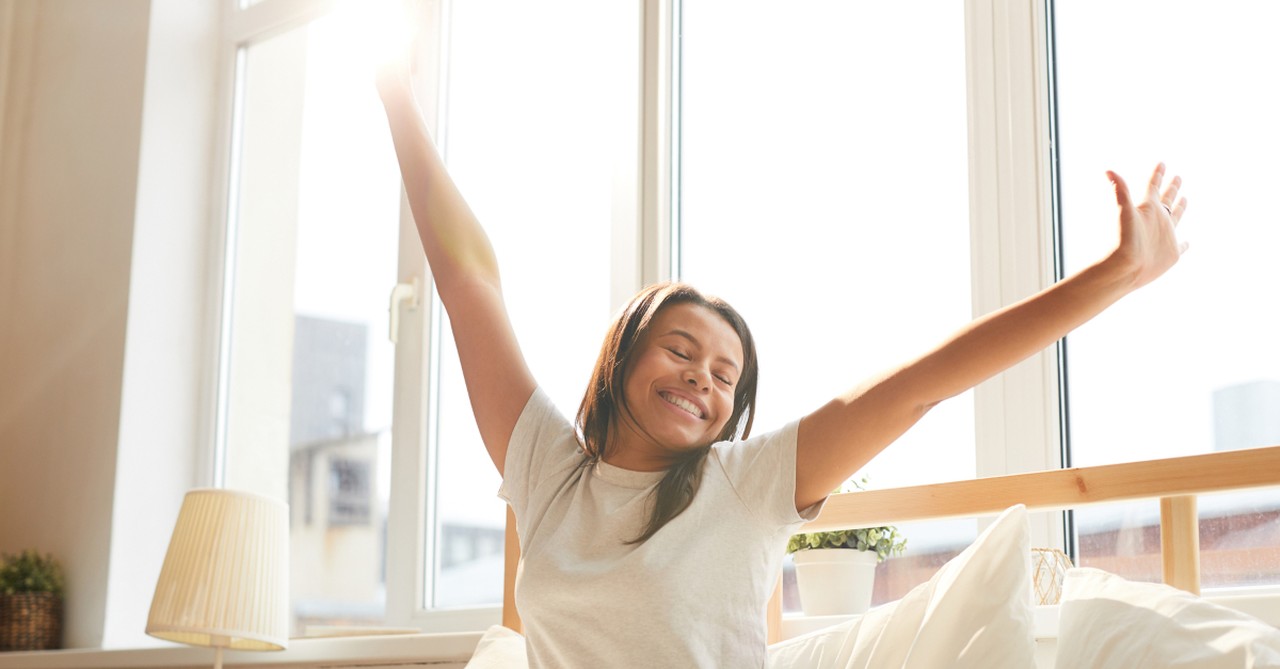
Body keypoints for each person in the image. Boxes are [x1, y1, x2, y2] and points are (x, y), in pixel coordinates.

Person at [375, 56, 1188, 668]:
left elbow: (920, 387)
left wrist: (1109, 278)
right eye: (682, 350)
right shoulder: (547, 471)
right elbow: (466, 278)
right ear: (622, 358)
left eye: (727, 376)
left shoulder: (747, 481)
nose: (704, 377)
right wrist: (398, 96)